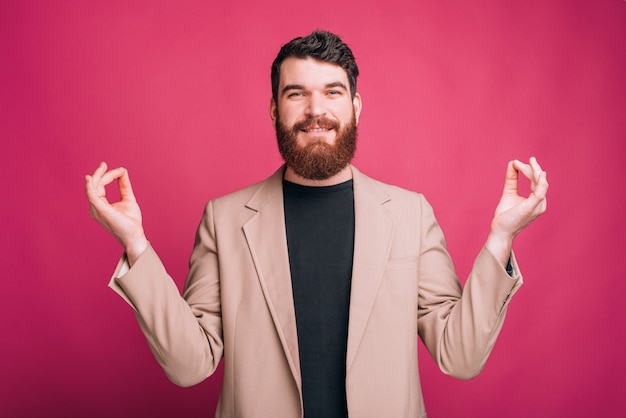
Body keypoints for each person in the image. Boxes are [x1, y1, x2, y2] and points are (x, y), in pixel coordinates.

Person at [85, 30, 548, 418]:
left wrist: (500, 240)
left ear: (356, 105)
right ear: (274, 110)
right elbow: (190, 366)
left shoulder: (411, 214)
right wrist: (136, 245)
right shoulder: (224, 220)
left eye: (332, 91)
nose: (315, 110)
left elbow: (460, 355)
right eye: (296, 93)